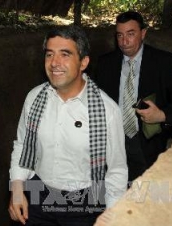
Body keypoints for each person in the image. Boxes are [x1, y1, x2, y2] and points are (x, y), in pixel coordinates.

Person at [8, 25, 128, 226]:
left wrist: (111, 214)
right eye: (49, 55)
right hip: (39, 197)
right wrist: (17, 188)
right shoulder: (34, 98)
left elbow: (116, 169)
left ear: (83, 62)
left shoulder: (107, 110)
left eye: (65, 54)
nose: (54, 63)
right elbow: (22, 145)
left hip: (85, 204)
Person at [94, 11, 172, 184]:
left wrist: (162, 115)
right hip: (112, 141)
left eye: (130, 34)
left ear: (143, 33)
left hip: (146, 142)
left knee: (144, 192)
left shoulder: (162, 61)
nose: (124, 42)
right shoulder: (105, 63)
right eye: (120, 35)